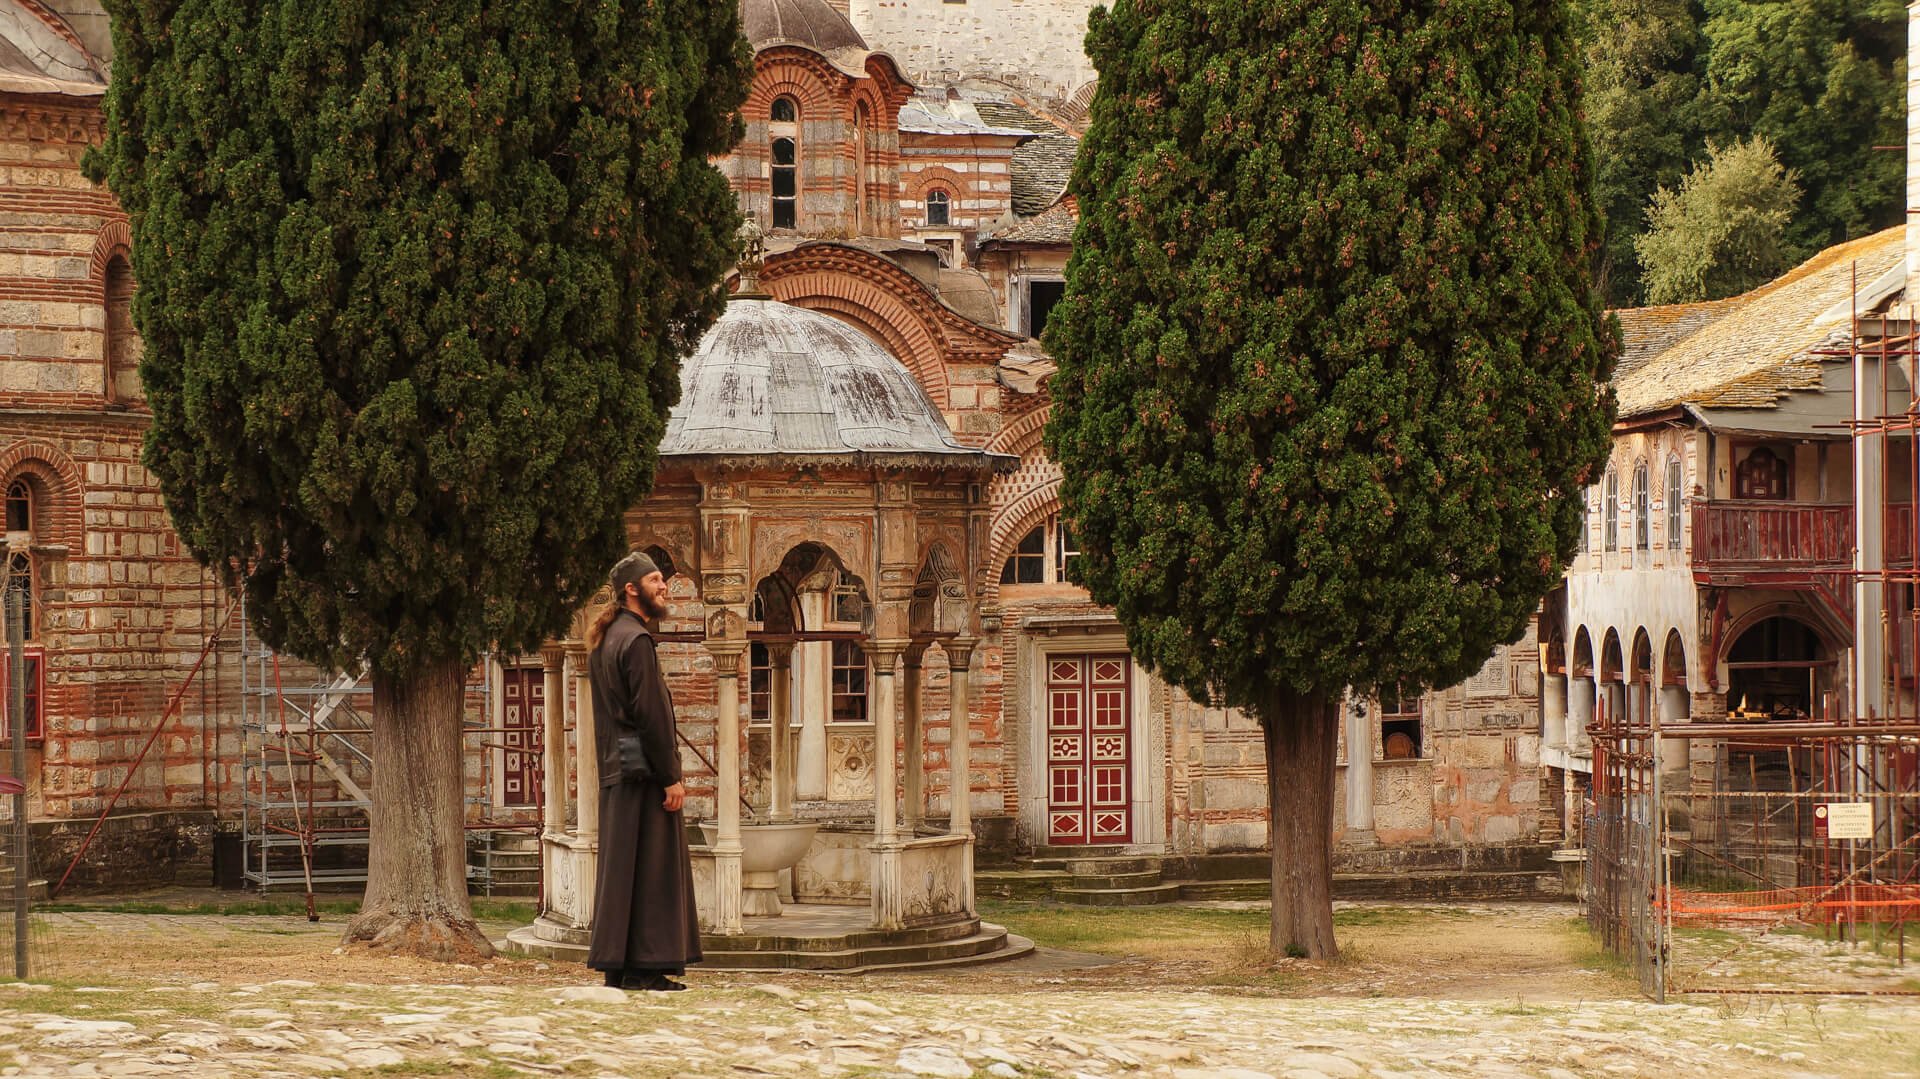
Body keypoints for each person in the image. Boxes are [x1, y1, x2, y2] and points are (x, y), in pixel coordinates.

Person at [583, 550, 701, 991]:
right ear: (631, 589)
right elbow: (650, 715)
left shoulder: (607, 639)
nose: (663, 587)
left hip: (618, 772)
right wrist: (670, 775)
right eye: (655, 580)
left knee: (623, 869)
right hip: (644, 773)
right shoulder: (635, 641)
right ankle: (646, 967)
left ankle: (621, 965)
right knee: (652, 869)